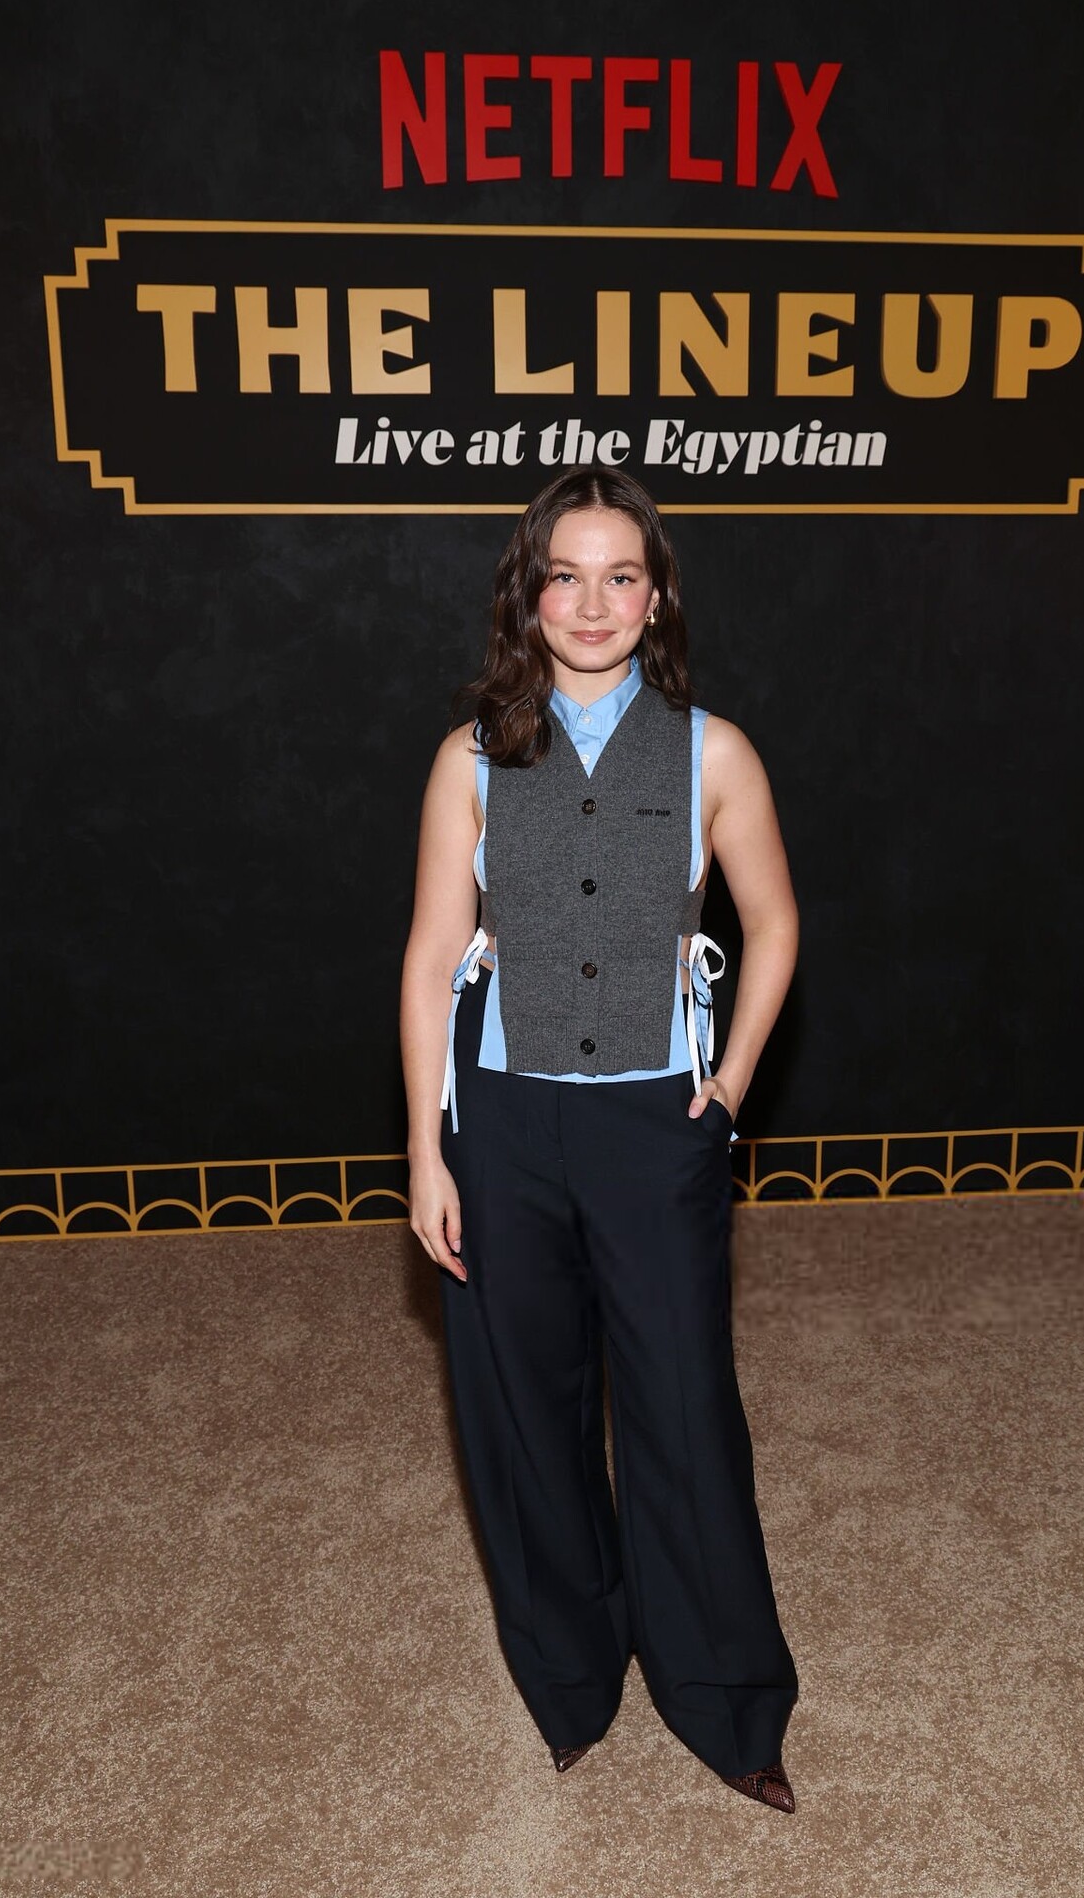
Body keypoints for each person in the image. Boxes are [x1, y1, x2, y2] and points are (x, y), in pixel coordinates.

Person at [399, 465, 800, 1812]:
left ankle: (726, 1699)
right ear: (528, 596)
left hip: (653, 1123)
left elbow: (774, 925)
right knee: (524, 1409)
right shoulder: (468, 758)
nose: (591, 602)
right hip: (501, 1122)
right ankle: (569, 1679)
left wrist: (729, 1087)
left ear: (656, 597)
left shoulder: (713, 752)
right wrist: (426, 1149)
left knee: (683, 1408)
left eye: (620, 575)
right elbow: (432, 956)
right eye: (563, 576)